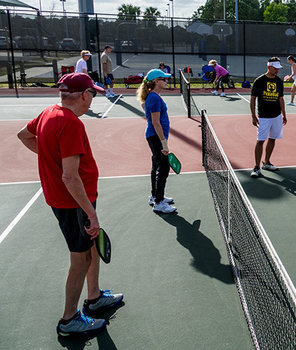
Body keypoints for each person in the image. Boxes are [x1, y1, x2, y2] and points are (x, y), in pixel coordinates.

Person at [16, 73, 124, 337]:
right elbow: (69, 176)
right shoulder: (71, 123)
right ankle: (69, 319)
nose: (93, 99)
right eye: (93, 94)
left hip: (74, 200)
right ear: (83, 95)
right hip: (73, 203)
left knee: (91, 248)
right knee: (81, 259)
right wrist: (91, 214)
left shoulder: (48, 113)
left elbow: (23, 136)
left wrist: (51, 157)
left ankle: (95, 297)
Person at [136, 69, 177, 213]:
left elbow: (145, 108)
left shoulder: (152, 97)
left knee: (156, 165)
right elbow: (155, 122)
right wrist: (163, 143)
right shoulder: (153, 97)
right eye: (163, 79)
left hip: (154, 136)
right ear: (155, 81)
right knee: (164, 168)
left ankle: (155, 196)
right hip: (156, 136)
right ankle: (159, 203)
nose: (166, 81)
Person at [249, 57, 287, 177]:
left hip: (276, 116)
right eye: (275, 68)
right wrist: (253, 116)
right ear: (269, 67)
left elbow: (281, 99)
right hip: (264, 116)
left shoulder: (279, 82)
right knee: (260, 141)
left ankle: (267, 162)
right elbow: (253, 99)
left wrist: (284, 114)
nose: (277, 71)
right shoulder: (259, 81)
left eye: (278, 69)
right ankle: (256, 167)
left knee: (272, 139)